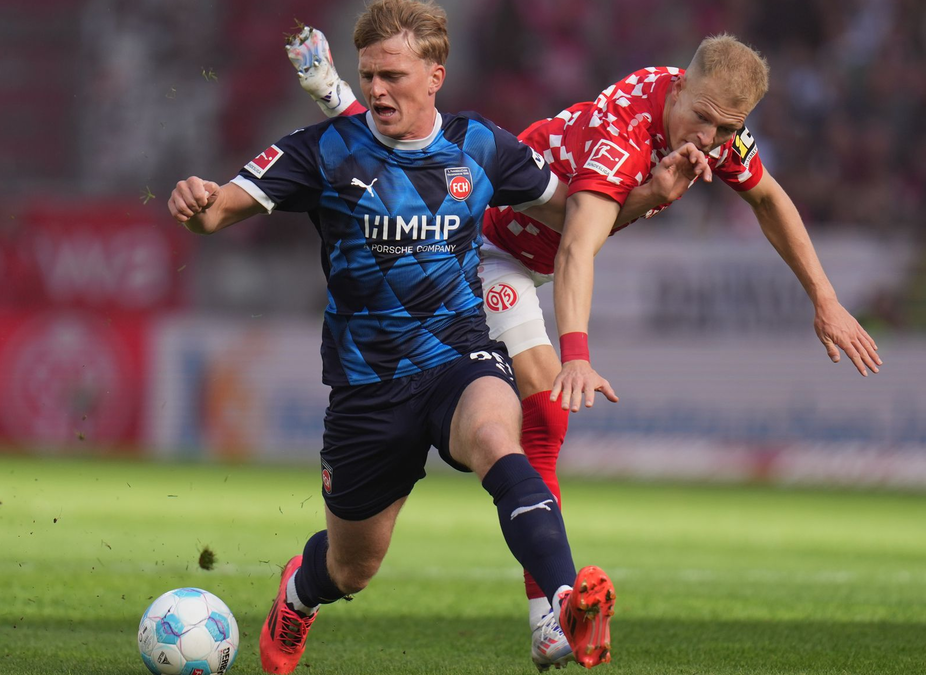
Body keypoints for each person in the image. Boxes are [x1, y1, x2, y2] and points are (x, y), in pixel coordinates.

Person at [287, 24, 881, 672]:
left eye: (726, 126)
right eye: (704, 118)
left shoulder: (709, 125)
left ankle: (550, 616)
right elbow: (576, 243)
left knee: (512, 439)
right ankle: (551, 617)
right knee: (542, 408)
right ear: (680, 86)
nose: (709, 137)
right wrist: (576, 349)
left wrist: (823, 297)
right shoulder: (625, 134)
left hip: (526, 254)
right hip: (483, 246)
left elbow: (768, 197)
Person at [169, 2, 616, 672]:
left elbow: (577, 209)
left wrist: (646, 191)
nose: (378, 88)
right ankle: (299, 590)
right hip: (368, 387)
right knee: (352, 566)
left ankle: (565, 600)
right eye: (368, 75)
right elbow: (219, 212)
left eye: (393, 75)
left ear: (435, 76)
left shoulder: (483, 147)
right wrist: (199, 204)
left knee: (502, 436)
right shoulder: (325, 150)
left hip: (459, 357)